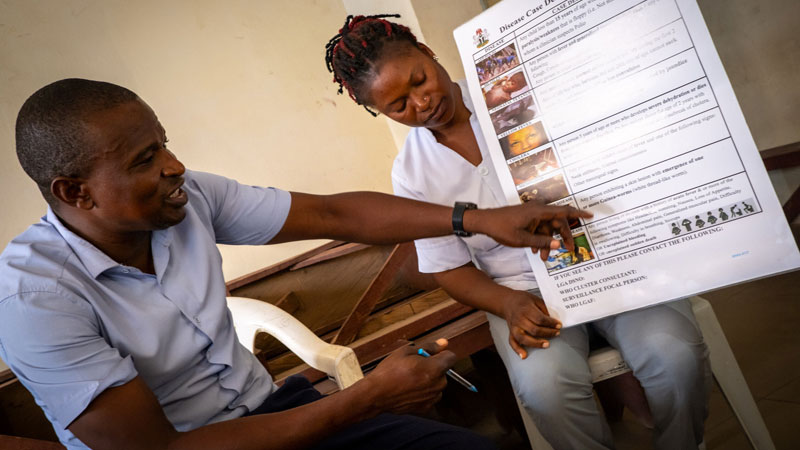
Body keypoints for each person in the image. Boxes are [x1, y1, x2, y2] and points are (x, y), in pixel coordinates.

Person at [0, 78, 591, 450]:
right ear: (76, 192)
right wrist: (367, 397)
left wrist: (476, 219)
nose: (175, 166)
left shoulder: (188, 199)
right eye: (146, 158)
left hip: (275, 412)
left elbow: (334, 216)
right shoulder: (33, 299)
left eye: (165, 143)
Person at [325, 14, 711, 450]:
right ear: (382, 112)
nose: (421, 103)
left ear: (430, 54)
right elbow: (448, 268)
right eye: (399, 106)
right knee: (546, 390)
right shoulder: (412, 173)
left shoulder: (523, 97)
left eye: (420, 79)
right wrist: (507, 303)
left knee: (674, 356)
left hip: (614, 262)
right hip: (523, 295)